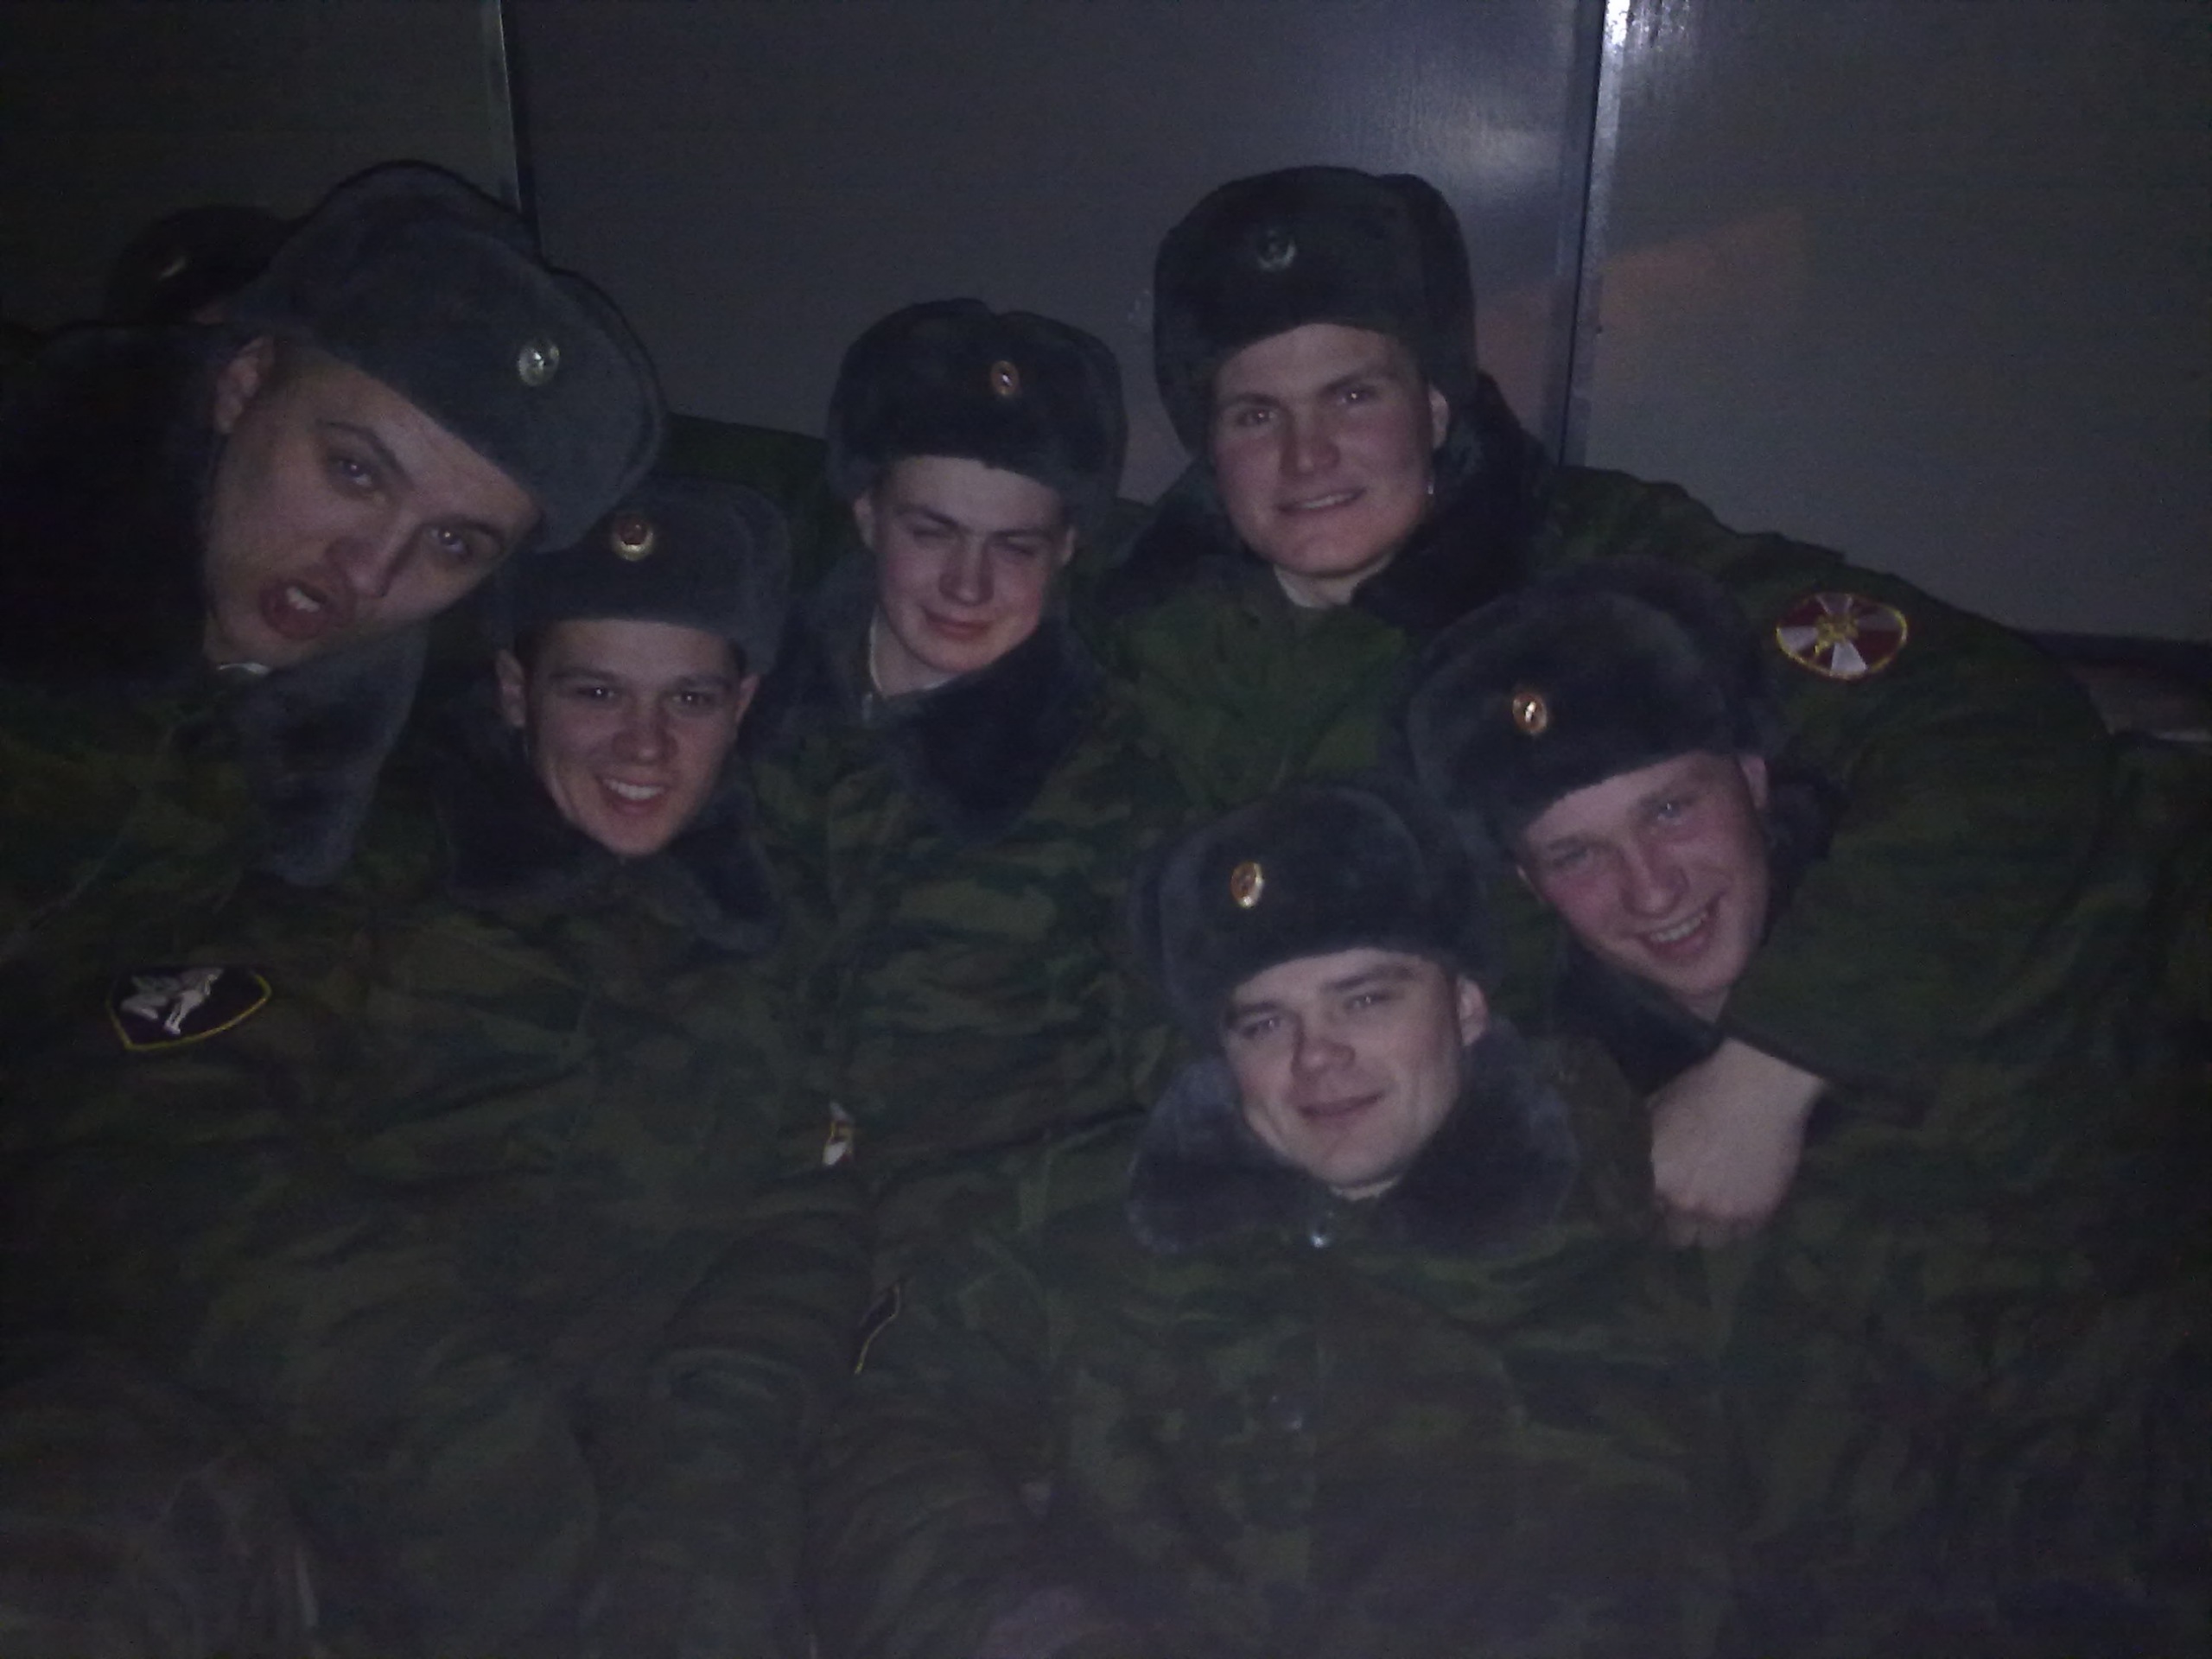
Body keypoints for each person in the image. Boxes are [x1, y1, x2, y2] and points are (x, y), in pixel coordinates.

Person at [1095, 164, 2118, 1249]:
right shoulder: (1139, 628)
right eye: (1256, 414)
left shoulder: (1614, 572)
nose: (1307, 458)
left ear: (1434, 406)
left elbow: (1993, 725)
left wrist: (1775, 1069)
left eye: (1354, 396)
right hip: (1283, 1178)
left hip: (1679, 1180)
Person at [0, 476, 866, 1659]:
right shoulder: (374, 865)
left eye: (690, 698)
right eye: (595, 691)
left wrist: (694, 1547)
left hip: (592, 1530)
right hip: (254, 1459)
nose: (645, 745)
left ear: (743, 704)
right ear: (514, 690)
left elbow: (790, 1260)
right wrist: (452, 1421)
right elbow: (136, 1134)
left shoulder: (772, 956)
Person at [1395, 556, 2211, 1655]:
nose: (1651, 887)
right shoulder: (1552, 1126)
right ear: (1529, 887)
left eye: (1671, 808)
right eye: (1577, 854)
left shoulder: (2043, 918)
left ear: (1753, 778)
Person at [807, 777, 1729, 1659]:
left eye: (1364, 999)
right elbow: (888, 1438)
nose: (1317, 1059)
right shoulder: (1083, 1229)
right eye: (1264, 1024)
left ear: (1465, 1004)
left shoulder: (1638, 1210)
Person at [0, 161, 664, 1062]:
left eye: (455, 543)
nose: (370, 569)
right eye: (355, 471)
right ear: (243, 382)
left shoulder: (383, 761)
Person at [748, 298, 1185, 1283]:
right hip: (737, 1213)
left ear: (1067, 547)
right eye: (932, 530)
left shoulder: (1121, 779)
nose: (967, 585)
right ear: (866, 513)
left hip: (992, 1251)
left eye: (1014, 546)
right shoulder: (728, 711)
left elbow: (1174, 1054)